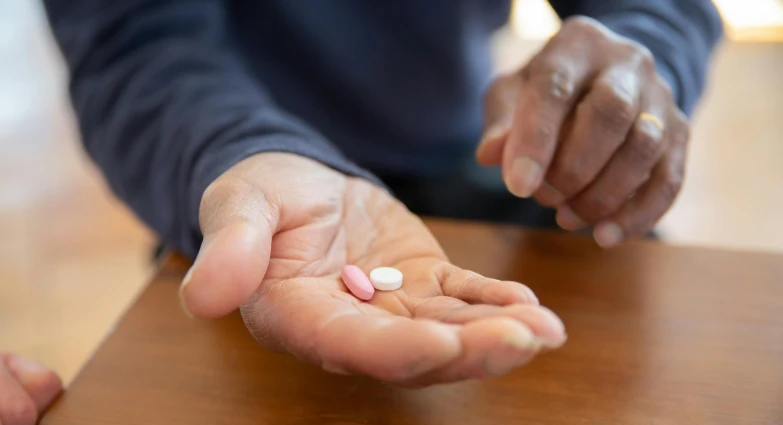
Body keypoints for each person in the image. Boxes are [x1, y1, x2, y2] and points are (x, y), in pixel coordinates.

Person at [34, 0, 721, 392]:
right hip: (239, 182)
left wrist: (633, 64)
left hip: (471, 154)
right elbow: (134, 49)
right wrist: (244, 152)